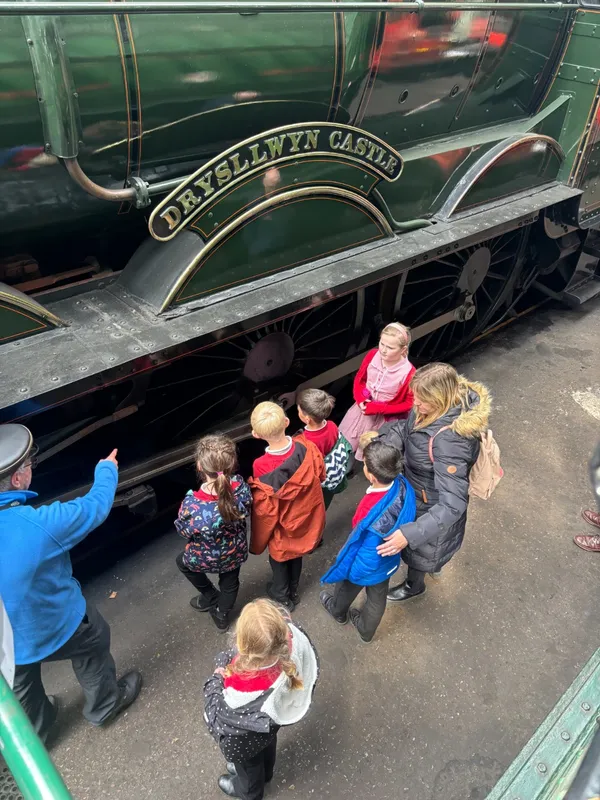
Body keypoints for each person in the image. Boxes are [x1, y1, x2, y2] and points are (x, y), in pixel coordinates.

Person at [0, 424, 141, 742]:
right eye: (28, 464)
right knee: (94, 638)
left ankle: (38, 731)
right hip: (54, 625)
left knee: (19, 680)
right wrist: (106, 471)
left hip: (6, 640)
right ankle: (104, 706)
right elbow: (94, 507)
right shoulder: (37, 525)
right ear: (19, 479)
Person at [375, 363, 491, 601]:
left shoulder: (449, 442)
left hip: (430, 505)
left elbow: (452, 505)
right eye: (414, 397)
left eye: (421, 401)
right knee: (430, 551)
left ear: (440, 398)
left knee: (422, 553)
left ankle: (414, 586)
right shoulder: (431, 409)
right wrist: (387, 445)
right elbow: (405, 429)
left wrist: (409, 534)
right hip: (418, 494)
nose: (415, 405)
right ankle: (433, 566)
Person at [203, 598, 318, 800]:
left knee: (249, 768)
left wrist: (217, 675)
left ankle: (248, 792)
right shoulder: (291, 641)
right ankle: (267, 774)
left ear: (242, 644)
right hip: (267, 727)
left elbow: (217, 715)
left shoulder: (242, 690)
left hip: (244, 742)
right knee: (267, 748)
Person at [319, 439, 415, 643]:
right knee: (377, 597)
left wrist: (350, 568)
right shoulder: (402, 484)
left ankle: (338, 611)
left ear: (371, 475)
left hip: (366, 561)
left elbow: (359, 533)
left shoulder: (369, 506)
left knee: (347, 587)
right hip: (388, 560)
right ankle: (366, 630)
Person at [249, 402, 325, 611]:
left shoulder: (260, 465)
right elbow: (320, 473)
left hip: (282, 523)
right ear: (287, 422)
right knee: (296, 554)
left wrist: (258, 539)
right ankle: (293, 590)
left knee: (280, 557)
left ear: (256, 434)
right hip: (305, 517)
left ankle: (282, 597)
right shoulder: (306, 446)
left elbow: (266, 506)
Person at [174, 434, 252, 632]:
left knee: (182, 562)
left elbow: (183, 531)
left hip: (204, 556)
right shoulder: (240, 487)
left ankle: (210, 595)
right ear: (232, 462)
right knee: (230, 583)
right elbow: (248, 505)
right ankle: (222, 615)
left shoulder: (192, 504)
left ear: (200, 466)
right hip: (235, 552)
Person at [339, 322, 415, 461]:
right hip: (362, 410)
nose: (383, 350)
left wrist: (380, 408)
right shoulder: (372, 355)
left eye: (390, 347)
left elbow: (409, 403)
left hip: (384, 418)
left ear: (403, 349)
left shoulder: (409, 372)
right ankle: (346, 464)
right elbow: (360, 379)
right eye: (382, 344)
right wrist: (361, 399)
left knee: (375, 449)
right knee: (348, 439)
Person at [296, 387, 349, 511]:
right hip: (331, 475)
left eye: (298, 410)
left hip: (318, 480)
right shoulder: (332, 425)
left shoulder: (304, 440)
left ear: (307, 418)